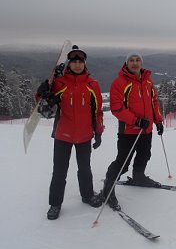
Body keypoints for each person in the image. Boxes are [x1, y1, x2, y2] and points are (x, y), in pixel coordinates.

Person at [36, 45, 104, 220]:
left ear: (84, 63)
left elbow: (97, 111)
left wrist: (98, 132)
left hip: (84, 135)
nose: (77, 64)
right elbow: (41, 101)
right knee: (59, 171)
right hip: (63, 135)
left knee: (84, 169)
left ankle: (87, 195)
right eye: (74, 62)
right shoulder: (59, 83)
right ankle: (55, 204)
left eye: (80, 61)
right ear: (69, 64)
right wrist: (43, 89)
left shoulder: (92, 85)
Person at [100, 52, 164, 211]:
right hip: (128, 131)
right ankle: (107, 190)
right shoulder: (119, 83)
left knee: (144, 155)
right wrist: (135, 120)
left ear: (141, 63)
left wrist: (158, 120)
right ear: (126, 63)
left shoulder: (148, 81)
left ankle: (139, 177)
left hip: (146, 130)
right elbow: (117, 108)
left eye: (137, 60)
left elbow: (153, 102)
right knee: (122, 163)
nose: (135, 63)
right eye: (131, 60)